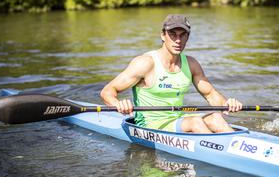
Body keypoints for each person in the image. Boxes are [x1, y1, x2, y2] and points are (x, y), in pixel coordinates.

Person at [100, 14, 242, 133]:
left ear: (188, 36)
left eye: (182, 35)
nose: (178, 40)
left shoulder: (191, 64)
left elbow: (210, 94)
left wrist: (227, 104)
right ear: (163, 35)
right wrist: (119, 104)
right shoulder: (145, 63)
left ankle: (240, 148)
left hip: (177, 121)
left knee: (216, 118)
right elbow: (107, 92)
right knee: (195, 122)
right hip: (149, 127)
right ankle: (219, 156)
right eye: (172, 34)